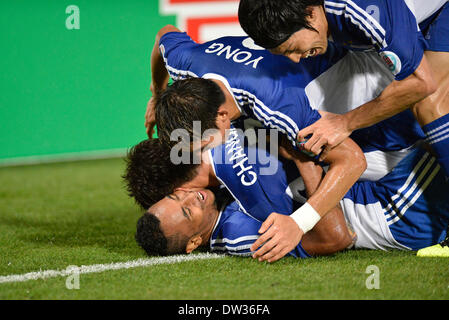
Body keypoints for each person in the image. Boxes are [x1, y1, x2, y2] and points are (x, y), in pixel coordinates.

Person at [129, 137, 449, 259]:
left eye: (176, 195)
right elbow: (336, 238)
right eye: (186, 213)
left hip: (381, 189)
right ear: (193, 243)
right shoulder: (240, 233)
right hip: (394, 211)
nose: (190, 198)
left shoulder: (223, 197)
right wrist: (302, 159)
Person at [238, 0, 449, 178]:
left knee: (429, 103)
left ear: (310, 13)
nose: (294, 59)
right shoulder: (319, 15)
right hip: (421, 16)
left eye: (292, 49)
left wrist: (345, 123)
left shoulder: (356, 9)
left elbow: (421, 82)